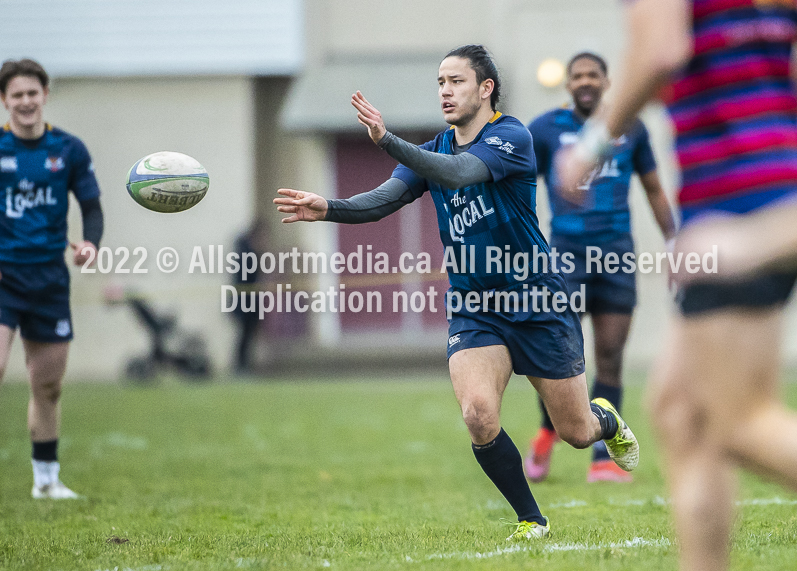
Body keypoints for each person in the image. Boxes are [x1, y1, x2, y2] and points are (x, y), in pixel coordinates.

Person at [274, 44, 639, 541]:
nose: (445, 91)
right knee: (478, 414)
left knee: (576, 432)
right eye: (440, 82)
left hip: (536, 300)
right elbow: (382, 200)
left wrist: (386, 140)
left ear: (486, 88)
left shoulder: (511, 136)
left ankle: (606, 420)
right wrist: (330, 207)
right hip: (475, 304)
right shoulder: (435, 148)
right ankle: (532, 520)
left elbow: (459, 173)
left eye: (456, 81)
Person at [556, 1, 797, 569]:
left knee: (739, 422)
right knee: (680, 409)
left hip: (735, 201)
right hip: (766, 188)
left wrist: (593, 142)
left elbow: (662, 50)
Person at [525, 52, 675, 483]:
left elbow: (653, 189)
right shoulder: (545, 130)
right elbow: (520, 188)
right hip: (564, 258)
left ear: (607, 82)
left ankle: (604, 460)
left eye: (593, 74)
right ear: (568, 85)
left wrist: (675, 241)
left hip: (616, 256)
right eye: (578, 76)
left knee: (609, 356)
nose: (585, 81)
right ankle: (545, 432)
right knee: (560, 358)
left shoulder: (631, 128)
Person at [0, 59, 103, 499]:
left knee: (48, 385)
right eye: (16, 95)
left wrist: (90, 245)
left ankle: (45, 480)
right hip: (4, 276)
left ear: (45, 95)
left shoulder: (69, 149)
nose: (25, 101)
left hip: (49, 281)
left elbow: (92, 208)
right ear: (5, 101)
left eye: (32, 93)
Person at [230, 219, 268, 374]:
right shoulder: (246, 254)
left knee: (248, 336)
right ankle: (240, 366)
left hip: (252, 302)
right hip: (244, 303)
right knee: (244, 335)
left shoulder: (252, 253)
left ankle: (244, 365)